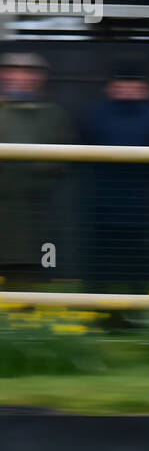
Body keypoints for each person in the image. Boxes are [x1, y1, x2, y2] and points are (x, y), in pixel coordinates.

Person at [79, 61, 149, 292]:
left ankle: (137, 306)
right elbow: (83, 146)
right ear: (110, 88)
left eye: (135, 85)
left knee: (139, 258)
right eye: (121, 84)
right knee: (99, 258)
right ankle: (96, 308)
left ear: (147, 89)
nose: (128, 89)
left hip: (142, 203)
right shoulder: (95, 113)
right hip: (101, 202)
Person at [0, 53, 74, 289]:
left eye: (29, 72)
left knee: (25, 282)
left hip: (33, 217)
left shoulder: (53, 115)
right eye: (13, 71)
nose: (21, 78)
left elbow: (65, 158)